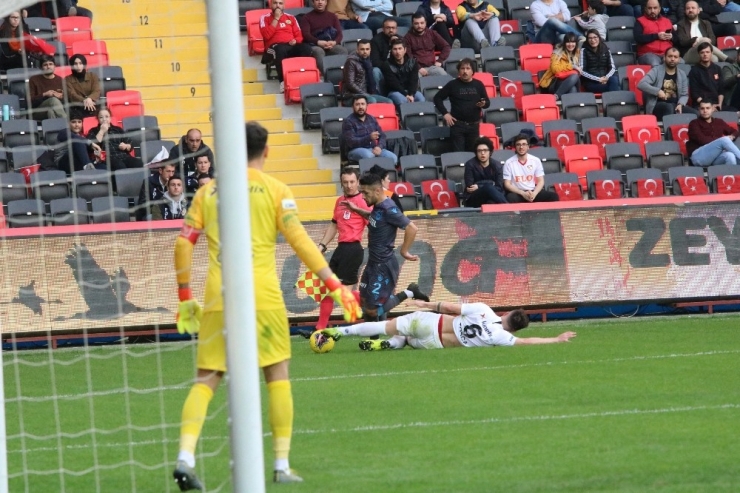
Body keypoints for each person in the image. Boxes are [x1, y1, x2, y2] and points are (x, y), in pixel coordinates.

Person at [171, 121, 362, 490]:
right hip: (263, 299)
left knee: (207, 379)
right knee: (277, 375)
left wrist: (184, 295)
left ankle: (185, 456)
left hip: (217, 297)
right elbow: (302, 242)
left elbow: (182, 244)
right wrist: (335, 285)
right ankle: (280, 463)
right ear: (267, 151)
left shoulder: (208, 192)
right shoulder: (276, 190)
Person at [320, 300, 576, 350]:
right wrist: (556, 338)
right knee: (407, 340)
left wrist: (426, 304)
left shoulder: (485, 310)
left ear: (509, 312)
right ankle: (388, 345)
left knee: (390, 325)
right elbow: (527, 342)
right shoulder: (502, 338)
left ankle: (338, 331)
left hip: (433, 322)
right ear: (515, 328)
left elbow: (453, 309)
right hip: (434, 345)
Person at [341, 172, 422, 321]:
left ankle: (410, 292)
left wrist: (404, 251)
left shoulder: (389, 209)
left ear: (377, 191)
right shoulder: (378, 207)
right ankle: (374, 341)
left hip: (384, 265)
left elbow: (412, 228)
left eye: (365, 193)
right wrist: (356, 210)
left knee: (371, 310)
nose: (363, 197)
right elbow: (374, 218)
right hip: (373, 262)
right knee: (365, 301)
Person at [314, 168, 371, 331]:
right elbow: (334, 225)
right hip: (340, 250)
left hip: (353, 250)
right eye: (345, 182)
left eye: (352, 182)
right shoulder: (339, 201)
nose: (349, 185)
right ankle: (320, 330)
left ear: (358, 182)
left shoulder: (362, 201)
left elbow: (374, 221)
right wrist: (322, 246)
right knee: (326, 289)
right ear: (341, 183)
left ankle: (375, 301)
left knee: (340, 294)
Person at [433, 58, 490, 153]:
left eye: (468, 68)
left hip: (474, 126)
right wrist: (445, 114)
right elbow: (437, 98)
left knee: (473, 154)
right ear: (458, 71)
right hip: (457, 126)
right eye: (462, 68)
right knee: (458, 155)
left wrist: (484, 104)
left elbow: (487, 102)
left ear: (473, 71)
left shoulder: (478, 84)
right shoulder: (452, 84)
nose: (465, 71)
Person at [260, 0, 313, 92]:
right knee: (279, 50)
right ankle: (283, 82)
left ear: (284, 5)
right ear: (270, 5)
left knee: (306, 48)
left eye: (280, 3)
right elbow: (266, 35)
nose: (278, 6)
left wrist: (295, 40)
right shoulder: (264, 18)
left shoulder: (291, 17)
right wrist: (276, 18)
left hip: (289, 45)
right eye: (275, 3)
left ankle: (303, 78)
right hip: (273, 47)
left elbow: (299, 35)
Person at [637, 47, 697, 120]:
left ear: (679, 60)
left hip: (676, 105)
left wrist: (680, 104)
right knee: (668, 108)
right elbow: (641, 84)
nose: (672, 59)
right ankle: (669, 130)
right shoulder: (656, 70)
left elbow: (684, 95)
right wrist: (657, 91)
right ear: (664, 58)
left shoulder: (682, 74)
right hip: (657, 105)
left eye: (675, 57)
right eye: (670, 56)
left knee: (696, 114)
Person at [502, 134, 560, 203]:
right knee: (510, 198)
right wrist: (522, 193)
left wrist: (534, 194)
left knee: (553, 196)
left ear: (528, 146)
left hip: (532, 191)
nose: (521, 147)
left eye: (524, 144)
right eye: (518, 144)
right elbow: (507, 184)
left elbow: (541, 181)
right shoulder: (509, 163)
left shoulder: (535, 160)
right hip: (518, 192)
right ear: (515, 147)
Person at [341, 94, 398, 161]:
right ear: (353, 107)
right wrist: (369, 138)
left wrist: (379, 147)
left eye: (363, 104)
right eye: (357, 104)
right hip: (355, 150)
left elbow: (382, 135)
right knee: (369, 156)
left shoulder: (371, 118)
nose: (360, 107)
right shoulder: (348, 122)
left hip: (373, 149)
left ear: (367, 106)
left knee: (393, 158)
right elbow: (351, 142)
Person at [299, 0, 348, 73]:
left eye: (322, 0)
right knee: (318, 51)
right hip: (315, 44)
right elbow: (306, 35)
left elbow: (339, 34)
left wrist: (334, 42)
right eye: (317, 0)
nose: (320, 2)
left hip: (331, 44)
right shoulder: (306, 17)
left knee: (342, 50)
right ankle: (326, 76)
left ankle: (340, 74)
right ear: (313, 2)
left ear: (326, 2)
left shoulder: (333, 16)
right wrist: (318, 42)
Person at [687, 100, 740, 166]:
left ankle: (732, 175)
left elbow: (735, 132)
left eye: (708, 108)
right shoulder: (694, 123)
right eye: (702, 108)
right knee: (725, 140)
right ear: (699, 110)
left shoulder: (719, 122)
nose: (705, 111)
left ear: (712, 109)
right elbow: (702, 140)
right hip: (698, 157)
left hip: (715, 157)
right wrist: (722, 141)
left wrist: (732, 136)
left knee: (730, 156)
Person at [53, 111, 102, 175]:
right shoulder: (63, 132)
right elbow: (75, 138)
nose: (77, 125)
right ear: (68, 123)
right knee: (78, 141)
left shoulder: (82, 136)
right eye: (73, 122)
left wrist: (96, 157)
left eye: (79, 122)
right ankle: (88, 168)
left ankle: (89, 167)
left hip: (78, 163)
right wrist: (90, 143)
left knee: (104, 168)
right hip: (63, 162)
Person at [463, 137, 508, 207]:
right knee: (488, 188)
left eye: (485, 150)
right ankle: (509, 208)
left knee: (491, 202)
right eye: (479, 151)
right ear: (476, 152)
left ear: (490, 152)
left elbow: (499, 187)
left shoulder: (497, 165)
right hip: (474, 198)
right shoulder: (470, 164)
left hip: (492, 196)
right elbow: (470, 187)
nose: (482, 153)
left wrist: (479, 186)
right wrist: (492, 183)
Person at [381, 39, 425, 106]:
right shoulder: (386, 65)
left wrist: (411, 94)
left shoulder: (412, 62)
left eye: (400, 48)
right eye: (395, 49)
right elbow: (394, 84)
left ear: (405, 50)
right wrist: (406, 95)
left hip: (410, 91)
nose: (397, 52)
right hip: (395, 91)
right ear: (391, 51)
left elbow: (413, 81)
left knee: (421, 99)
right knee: (402, 100)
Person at [538, 32, 581, 100]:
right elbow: (555, 69)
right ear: (564, 43)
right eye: (568, 42)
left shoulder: (577, 53)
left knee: (573, 89)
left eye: (573, 42)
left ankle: (565, 103)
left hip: (570, 83)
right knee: (575, 75)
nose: (570, 44)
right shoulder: (556, 54)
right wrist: (571, 66)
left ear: (576, 43)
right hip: (555, 83)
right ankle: (557, 95)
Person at [635, 0, 675, 67]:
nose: (652, 11)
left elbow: (677, 39)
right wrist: (657, 36)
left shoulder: (667, 21)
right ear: (645, 9)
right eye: (649, 8)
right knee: (655, 63)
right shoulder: (640, 21)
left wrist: (671, 37)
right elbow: (638, 38)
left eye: (655, 8)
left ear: (659, 9)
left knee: (680, 62)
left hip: (666, 53)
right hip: (647, 54)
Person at [28, 54, 67, 120]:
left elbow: (67, 101)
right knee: (53, 100)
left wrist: (61, 97)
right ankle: (67, 122)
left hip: (54, 110)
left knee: (50, 111)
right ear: (41, 67)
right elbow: (30, 101)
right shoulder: (33, 79)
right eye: (45, 65)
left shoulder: (61, 80)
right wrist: (45, 94)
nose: (48, 67)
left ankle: (55, 130)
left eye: (50, 64)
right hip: (38, 111)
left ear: (55, 66)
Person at [688, 42, 725, 111]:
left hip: (716, 103)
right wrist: (708, 106)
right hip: (701, 105)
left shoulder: (717, 69)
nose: (705, 54)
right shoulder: (694, 71)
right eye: (702, 52)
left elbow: (721, 90)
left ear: (711, 53)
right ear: (699, 54)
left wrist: (719, 104)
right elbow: (694, 93)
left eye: (707, 52)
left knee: (734, 112)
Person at [370, 18, 401, 91]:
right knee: (375, 71)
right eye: (388, 28)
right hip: (382, 68)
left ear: (396, 29)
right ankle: (380, 95)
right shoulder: (375, 41)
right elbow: (375, 61)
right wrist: (388, 67)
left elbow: (405, 58)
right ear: (383, 29)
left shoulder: (400, 40)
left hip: (397, 67)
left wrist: (395, 43)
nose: (391, 30)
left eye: (393, 28)